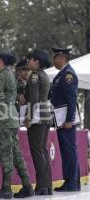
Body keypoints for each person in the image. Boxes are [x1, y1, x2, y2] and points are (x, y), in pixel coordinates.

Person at [0, 53, 34, 199]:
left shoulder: (2, 75)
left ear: (1, 61)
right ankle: (27, 186)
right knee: (16, 152)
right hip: (11, 117)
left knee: (5, 152)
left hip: (2, 119)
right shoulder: (10, 73)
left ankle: (6, 188)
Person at [51, 47, 80, 191]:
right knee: (67, 150)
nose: (53, 60)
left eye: (55, 57)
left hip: (66, 120)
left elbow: (72, 99)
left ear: (62, 57)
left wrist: (70, 119)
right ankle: (71, 181)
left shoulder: (68, 74)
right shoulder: (61, 74)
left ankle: (72, 183)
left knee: (69, 150)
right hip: (61, 119)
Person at [24, 49, 52, 195]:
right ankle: (47, 185)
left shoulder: (34, 75)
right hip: (46, 115)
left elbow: (34, 99)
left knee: (37, 151)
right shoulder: (44, 75)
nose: (29, 61)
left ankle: (42, 185)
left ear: (37, 62)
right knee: (43, 151)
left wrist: (28, 117)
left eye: (31, 59)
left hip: (37, 116)